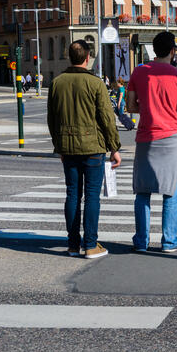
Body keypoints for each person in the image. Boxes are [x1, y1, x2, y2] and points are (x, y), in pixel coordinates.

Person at [47, 40, 121, 259]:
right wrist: (114, 147)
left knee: (72, 195)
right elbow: (107, 118)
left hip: (68, 147)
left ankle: (72, 245)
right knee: (91, 197)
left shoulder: (57, 82)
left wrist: (59, 145)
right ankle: (90, 244)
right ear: (87, 57)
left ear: (69, 57)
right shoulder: (95, 83)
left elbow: (52, 119)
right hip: (92, 147)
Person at [126, 31, 177, 253]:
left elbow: (130, 106)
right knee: (170, 193)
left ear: (154, 50)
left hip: (146, 138)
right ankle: (169, 241)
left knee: (142, 193)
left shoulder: (139, 72)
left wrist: (147, 107)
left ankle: (141, 242)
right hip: (171, 138)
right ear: (173, 51)